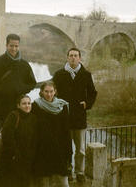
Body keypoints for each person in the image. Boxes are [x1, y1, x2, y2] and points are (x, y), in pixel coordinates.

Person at [52, 48, 97, 182]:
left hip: (79, 117)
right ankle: (68, 171)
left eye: (75, 56)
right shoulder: (59, 74)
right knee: (65, 148)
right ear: (67, 58)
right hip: (63, 117)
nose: (73, 58)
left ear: (79, 58)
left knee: (80, 149)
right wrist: (56, 105)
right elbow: (52, 92)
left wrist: (87, 104)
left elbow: (93, 92)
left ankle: (80, 172)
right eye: (71, 56)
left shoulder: (86, 74)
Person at [0, 33, 36, 133]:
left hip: (19, 109)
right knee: (0, 139)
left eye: (16, 46)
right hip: (1, 107)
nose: (14, 49)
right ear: (6, 45)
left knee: (18, 138)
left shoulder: (24, 65)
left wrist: (20, 88)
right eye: (11, 46)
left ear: (19, 46)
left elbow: (32, 83)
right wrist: (0, 89)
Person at [32, 81, 71, 187]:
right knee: (45, 182)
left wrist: (69, 152)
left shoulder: (62, 106)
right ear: (41, 92)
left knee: (63, 182)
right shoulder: (35, 106)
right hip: (43, 149)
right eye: (46, 91)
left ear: (55, 91)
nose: (49, 94)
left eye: (51, 91)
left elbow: (66, 130)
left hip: (59, 148)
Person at [0, 95, 38, 187]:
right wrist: (15, 153)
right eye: (24, 103)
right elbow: (7, 136)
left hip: (26, 159)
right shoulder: (13, 116)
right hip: (12, 159)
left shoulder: (33, 119)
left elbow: (34, 139)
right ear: (18, 105)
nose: (27, 106)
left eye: (29, 103)